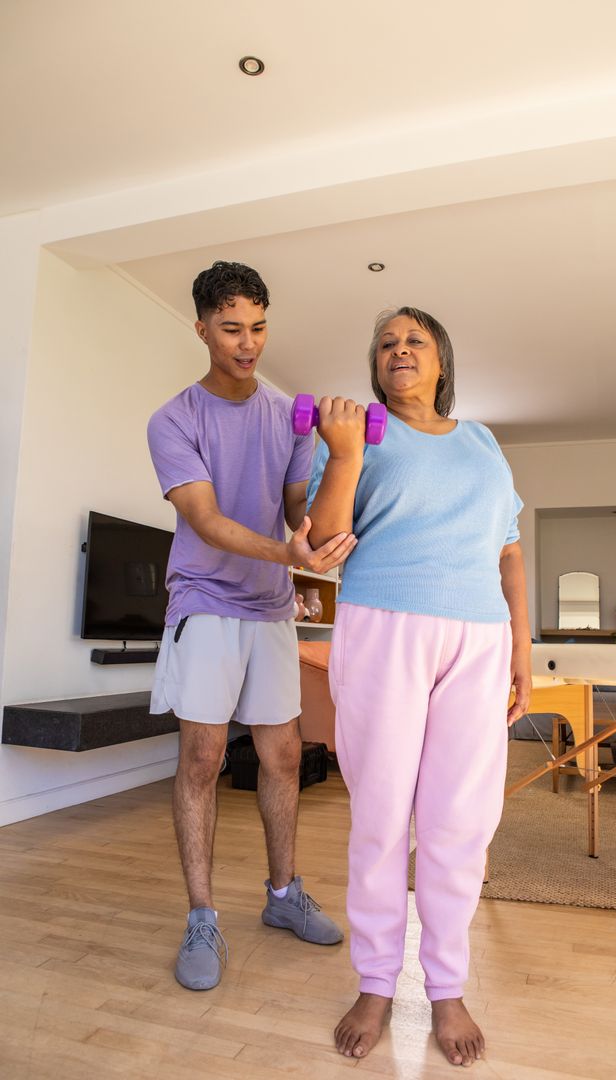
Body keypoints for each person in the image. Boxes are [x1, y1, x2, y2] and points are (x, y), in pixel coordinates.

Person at [306, 307, 531, 1067]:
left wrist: (520, 650)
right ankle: (375, 981)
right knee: (379, 812)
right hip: (383, 623)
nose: (399, 350)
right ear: (376, 365)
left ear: (441, 363)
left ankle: (445, 985)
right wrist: (341, 454)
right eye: (386, 343)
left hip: (478, 634)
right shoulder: (356, 432)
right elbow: (323, 546)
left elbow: (509, 552)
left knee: (459, 820)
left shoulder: (482, 440)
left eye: (415, 341)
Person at [147, 260, 353, 991]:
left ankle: (282, 894)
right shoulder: (174, 419)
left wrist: (337, 466)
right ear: (201, 327)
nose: (248, 343)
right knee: (203, 759)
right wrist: (287, 553)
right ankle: (201, 915)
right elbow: (203, 518)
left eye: (259, 327)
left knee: (286, 758)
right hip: (204, 601)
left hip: (268, 607)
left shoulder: (284, 415)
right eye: (232, 328)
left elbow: (296, 509)